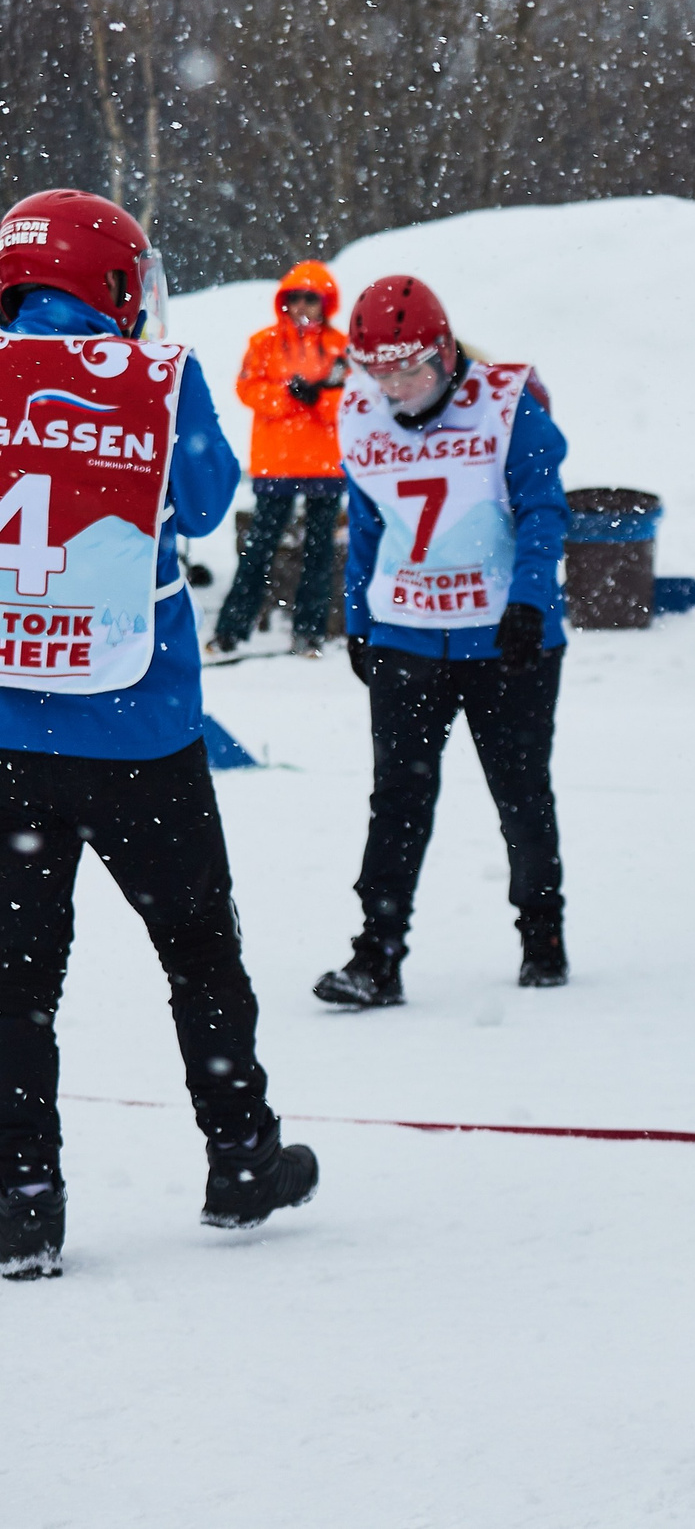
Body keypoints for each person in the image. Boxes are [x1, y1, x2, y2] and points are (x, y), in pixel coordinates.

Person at [0, 189, 319, 1280]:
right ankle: (240, 1158)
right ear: (119, 286)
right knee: (199, 953)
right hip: (141, 731)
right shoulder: (155, 377)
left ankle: (21, 1200)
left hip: (6, 731)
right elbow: (205, 496)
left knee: (14, 980)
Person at [310, 275, 571, 1009]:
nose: (396, 385)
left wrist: (527, 603)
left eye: (411, 367)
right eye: (378, 369)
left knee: (520, 794)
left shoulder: (508, 403)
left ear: (446, 350)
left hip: (506, 639)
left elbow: (545, 508)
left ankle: (541, 932)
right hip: (408, 634)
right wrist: (358, 621)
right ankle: (377, 954)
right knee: (397, 800)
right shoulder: (361, 412)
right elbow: (363, 527)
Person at [210, 260, 349, 656]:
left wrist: (319, 399)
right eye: (295, 298)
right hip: (278, 461)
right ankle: (231, 630)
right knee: (258, 550)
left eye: (312, 298)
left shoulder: (341, 346)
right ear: (283, 302)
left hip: (324, 462)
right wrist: (289, 396)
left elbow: (352, 399)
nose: (303, 306)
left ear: (326, 302)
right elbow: (247, 389)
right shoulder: (263, 343)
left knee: (319, 552)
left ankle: (310, 633)